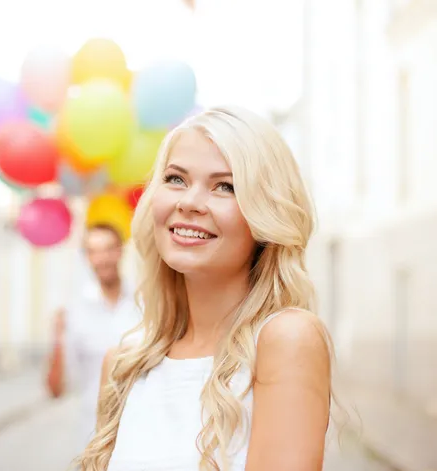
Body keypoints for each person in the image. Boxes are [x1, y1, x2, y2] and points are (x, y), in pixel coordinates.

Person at [76, 106, 333, 471]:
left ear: (264, 216)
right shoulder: (122, 365)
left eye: (225, 186)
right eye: (176, 179)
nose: (189, 202)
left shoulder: (285, 341)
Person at [46, 223, 141, 456]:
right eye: (94, 251)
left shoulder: (146, 303)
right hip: (93, 435)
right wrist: (58, 338)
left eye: (109, 249)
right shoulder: (74, 313)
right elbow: (56, 389)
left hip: (142, 428)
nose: (102, 259)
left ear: (120, 251)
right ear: (87, 257)